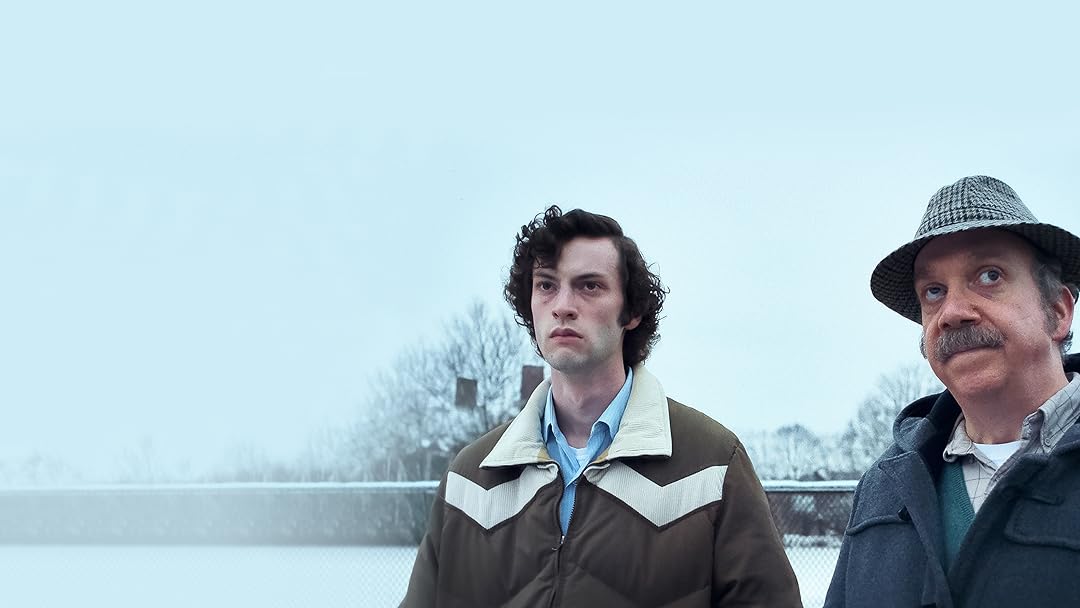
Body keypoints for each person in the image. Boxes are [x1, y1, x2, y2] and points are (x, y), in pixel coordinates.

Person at [402, 206, 800, 607]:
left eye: (589, 286)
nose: (562, 305)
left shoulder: (713, 463)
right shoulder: (470, 478)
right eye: (546, 285)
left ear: (632, 312)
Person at [825, 176, 1080, 607]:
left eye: (989, 275)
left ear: (1057, 311)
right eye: (934, 292)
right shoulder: (884, 487)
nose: (952, 313)